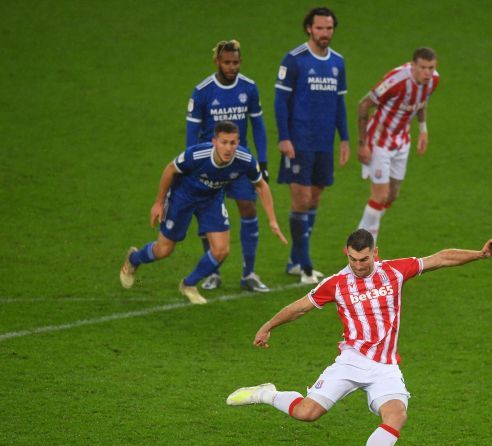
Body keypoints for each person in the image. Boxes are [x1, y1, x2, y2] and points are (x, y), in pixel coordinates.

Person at [226, 229, 492, 446]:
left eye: (364, 259)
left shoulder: (395, 271)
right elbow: (300, 307)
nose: (358, 266)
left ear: (375, 253)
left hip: (385, 366)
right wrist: (268, 325)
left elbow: (440, 258)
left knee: (396, 415)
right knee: (306, 414)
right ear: (346, 254)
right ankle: (266, 393)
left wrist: (480, 254)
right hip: (350, 361)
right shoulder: (336, 283)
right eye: (353, 259)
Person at [119, 121, 287, 304]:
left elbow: (261, 185)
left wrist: (272, 221)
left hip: (211, 200)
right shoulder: (197, 154)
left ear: (238, 142)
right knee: (164, 249)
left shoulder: (244, 159)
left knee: (221, 250)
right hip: (182, 197)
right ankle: (134, 258)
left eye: (232, 142)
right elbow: (170, 169)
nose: (228, 148)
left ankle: (188, 284)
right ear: (214, 141)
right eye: (224, 142)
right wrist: (159, 202)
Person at [186, 40, 273, 293]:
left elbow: (258, 125)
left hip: (238, 162)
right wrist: (190, 165)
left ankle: (249, 273)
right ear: (217, 62)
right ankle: (212, 273)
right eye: (227, 62)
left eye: (235, 62)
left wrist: (263, 161)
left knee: (248, 208)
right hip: (208, 165)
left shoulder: (249, 87)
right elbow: (192, 133)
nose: (231, 67)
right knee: (208, 217)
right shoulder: (203, 91)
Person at [274, 6, 350, 285]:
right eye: (320, 28)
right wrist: (284, 137)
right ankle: (306, 267)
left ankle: (295, 261)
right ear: (309, 28)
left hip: (324, 144)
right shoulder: (294, 60)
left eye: (329, 28)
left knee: (315, 199)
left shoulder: (337, 62)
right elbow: (280, 102)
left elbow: (339, 103)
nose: (325, 33)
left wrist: (344, 138)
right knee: (301, 201)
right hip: (299, 142)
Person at [356, 48, 440, 242]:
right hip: (379, 141)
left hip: (402, 141)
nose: (427, 72)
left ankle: (359, 235)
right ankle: (367, 249)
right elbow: (363, 105)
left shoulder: (433, 80)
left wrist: (423, 129)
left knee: (391, 196)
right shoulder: (396, 81)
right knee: (379, 196)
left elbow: (421, 101)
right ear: (412, 65)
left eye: (431, 68)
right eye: (423, 68)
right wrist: (362, 144)